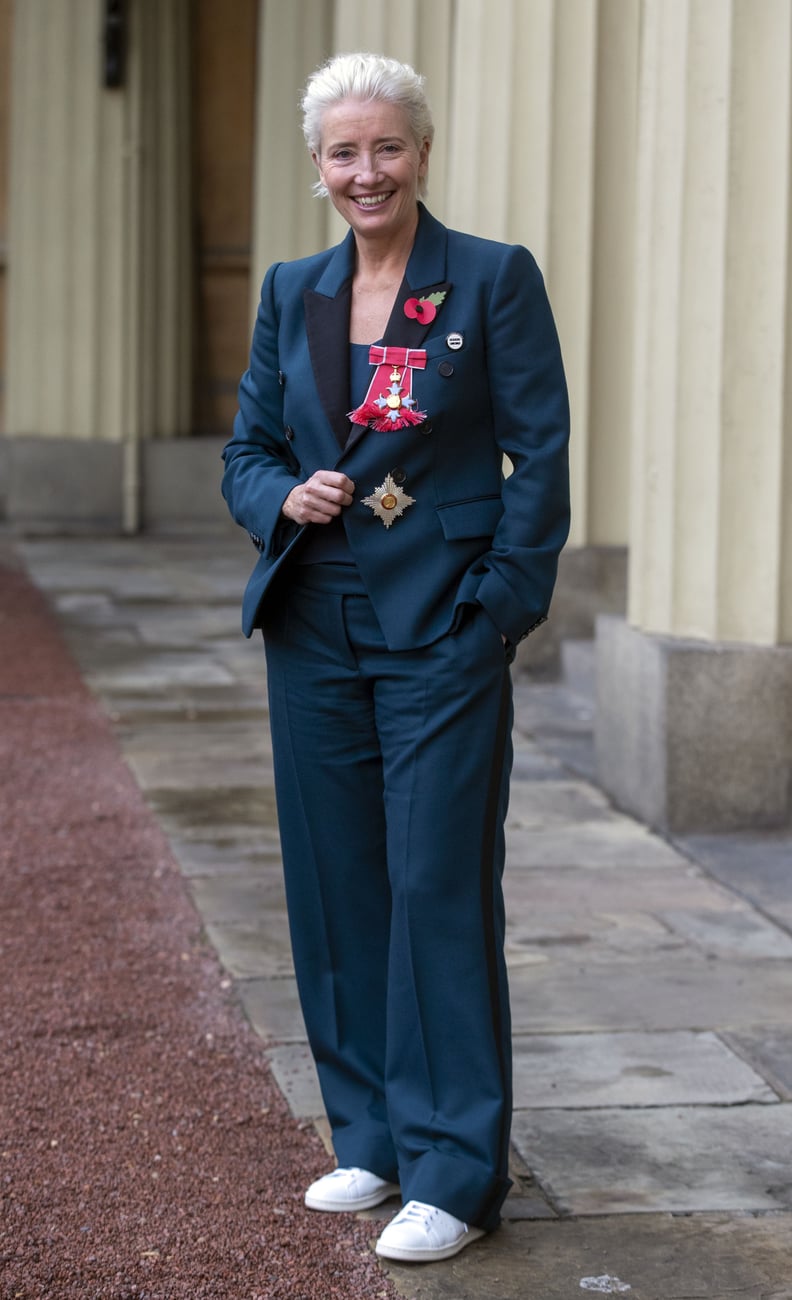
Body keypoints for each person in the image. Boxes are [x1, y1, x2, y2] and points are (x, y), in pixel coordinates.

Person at [222, 52, 570, 1264]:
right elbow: (245, 449)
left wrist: (501, 611)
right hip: (315, 620)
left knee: (433, 887)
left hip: (443, 628)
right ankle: (370, 1134)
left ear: (422, 151)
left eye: (387, 147)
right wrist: (284, 494)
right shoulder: (292, 289)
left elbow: (542, 455)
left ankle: (456, 1168)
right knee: (337, 885)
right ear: (316, 167)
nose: (366, 172)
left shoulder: (490, 279)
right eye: (342, 152)